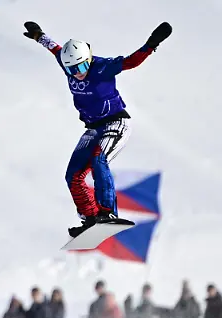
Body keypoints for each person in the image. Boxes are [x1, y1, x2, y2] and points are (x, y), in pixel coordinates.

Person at [22, 21, 172, 237]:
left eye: (82, 67)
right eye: (72, 70)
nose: (78, 73)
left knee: (98, 159)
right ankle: (91, 217)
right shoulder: (69, 65)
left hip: (115, 122)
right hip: (93, 128)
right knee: (72, 175)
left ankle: (108, 212)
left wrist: (152, 43)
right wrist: (39, 35)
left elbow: (131, 62)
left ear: (89, 60)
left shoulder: (102, 67)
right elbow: (55, 48)